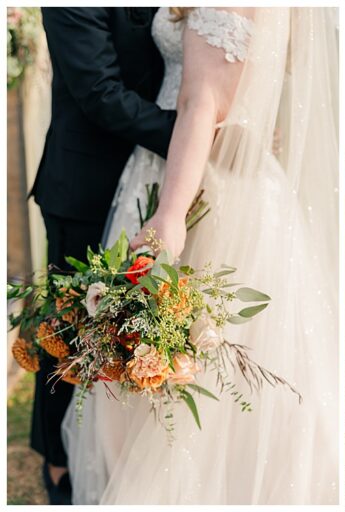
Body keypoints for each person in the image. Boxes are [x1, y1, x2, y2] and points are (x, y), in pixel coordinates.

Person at [61, 7, 339, 504]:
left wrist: (170, 214)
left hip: (194, 179)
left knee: (186, 350)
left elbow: (201, 102)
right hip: (206, 165)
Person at [31, 7, 176, 504]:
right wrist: (196, 135)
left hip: (153, 181)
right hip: (83, 191)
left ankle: (118, 456)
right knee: (67, 336)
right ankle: (58, 460)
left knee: (133, 333)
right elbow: (99, 91)